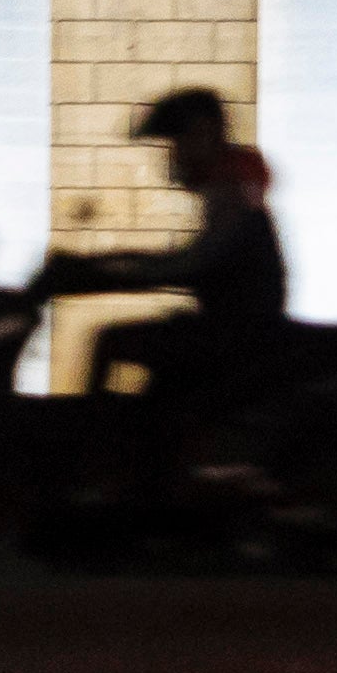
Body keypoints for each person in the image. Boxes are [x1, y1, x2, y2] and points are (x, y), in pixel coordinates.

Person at [40, 87, 287, 424]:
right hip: (232, 332)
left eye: (175, 144)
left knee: (112, 341)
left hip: (235, 338)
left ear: (202, 133)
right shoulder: (236, 187)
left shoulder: (232, 192)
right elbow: (186, 259)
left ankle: (92, 450)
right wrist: (101, 265)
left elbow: (189, 263)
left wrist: (99, 273)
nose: (171, 157)